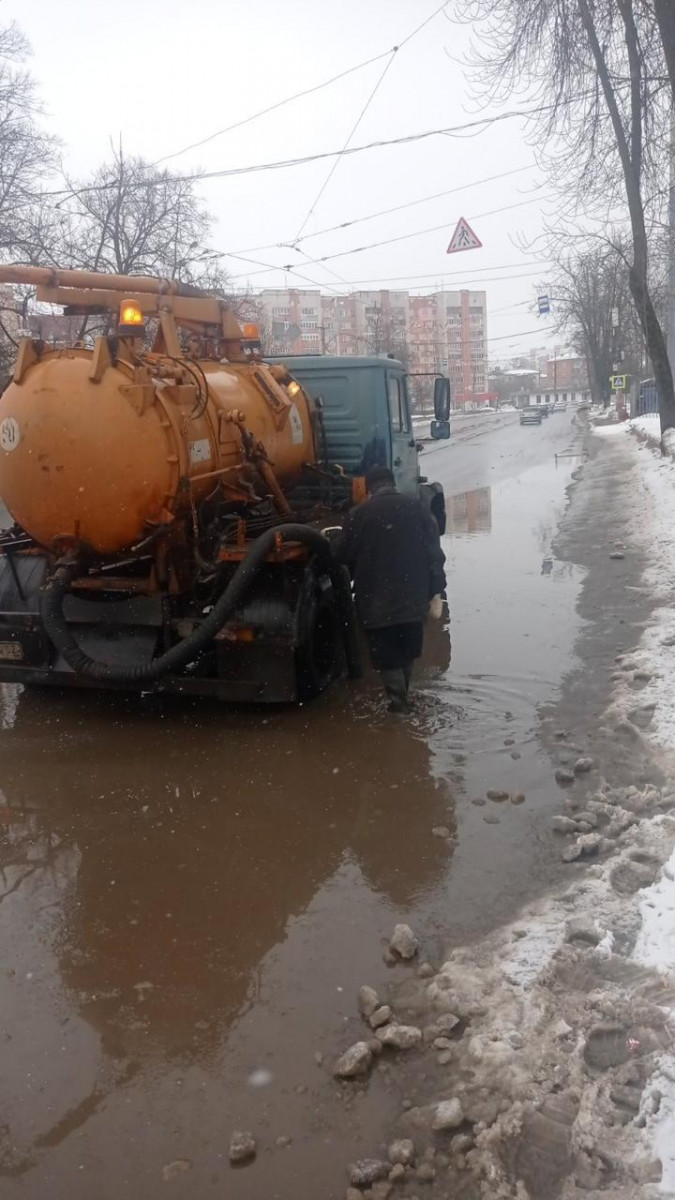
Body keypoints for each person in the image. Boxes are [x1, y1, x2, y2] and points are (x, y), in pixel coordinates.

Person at [332, 465, 447, 712]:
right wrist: (436, 590)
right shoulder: (418, 509)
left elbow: (343, 555)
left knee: (387, 656)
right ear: (392, 483)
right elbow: (434, 554)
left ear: (369, 487)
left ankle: (399, 707)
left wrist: (333, 544)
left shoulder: (359, 514)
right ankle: (404, 701)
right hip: (413, 598)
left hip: (376, 602)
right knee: (407, 650)